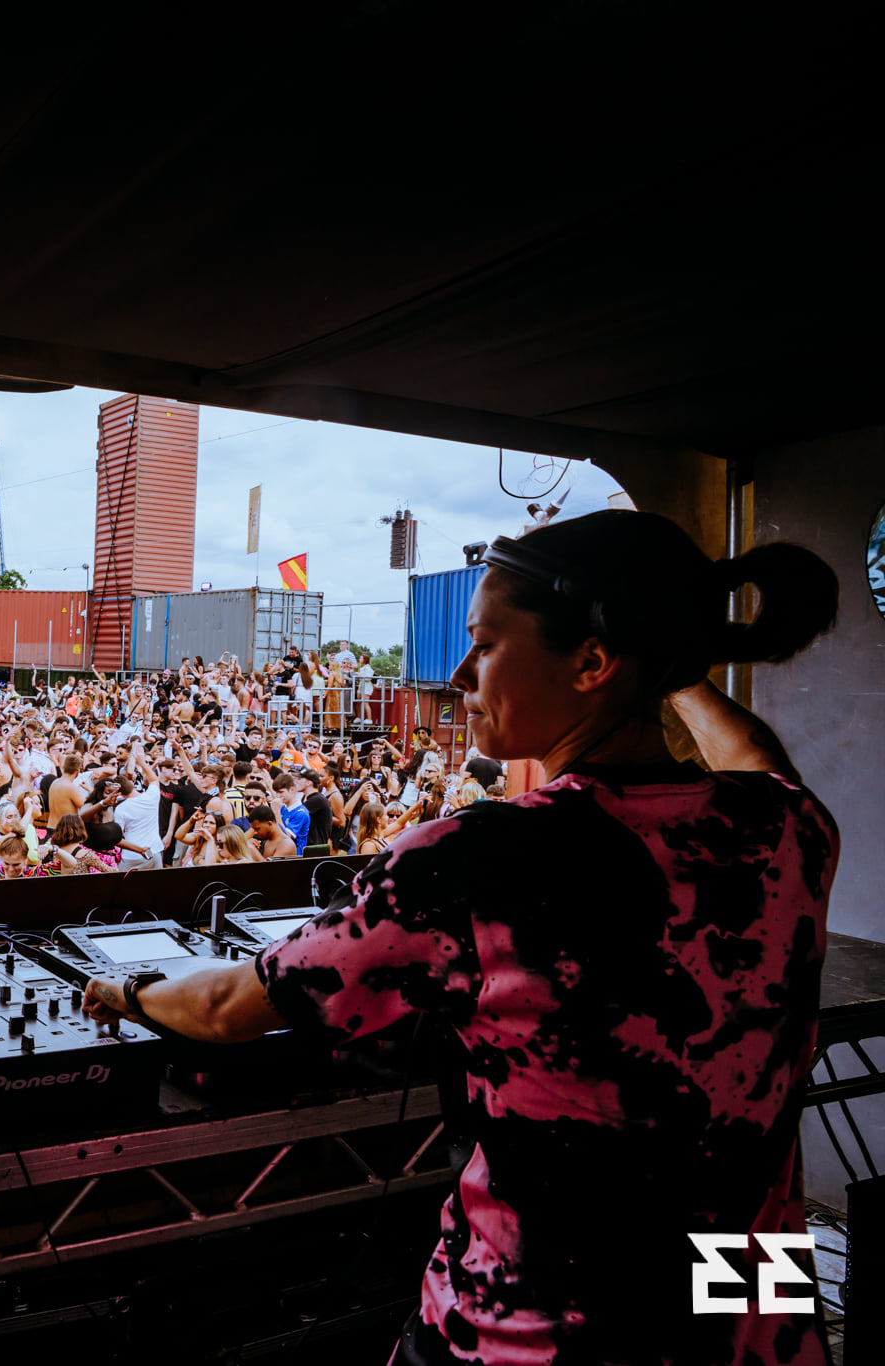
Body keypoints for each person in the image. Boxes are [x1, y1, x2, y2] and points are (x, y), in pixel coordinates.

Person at [81, 510, 840, 1366]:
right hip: (757, 1316)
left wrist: (127, 990)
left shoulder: (474, 859)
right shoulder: (792, 828)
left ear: (593, 661)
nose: (458, 673)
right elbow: (754, 760)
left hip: (545, 1329)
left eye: (483, 644)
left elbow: (229, 1007)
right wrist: (664, 659)